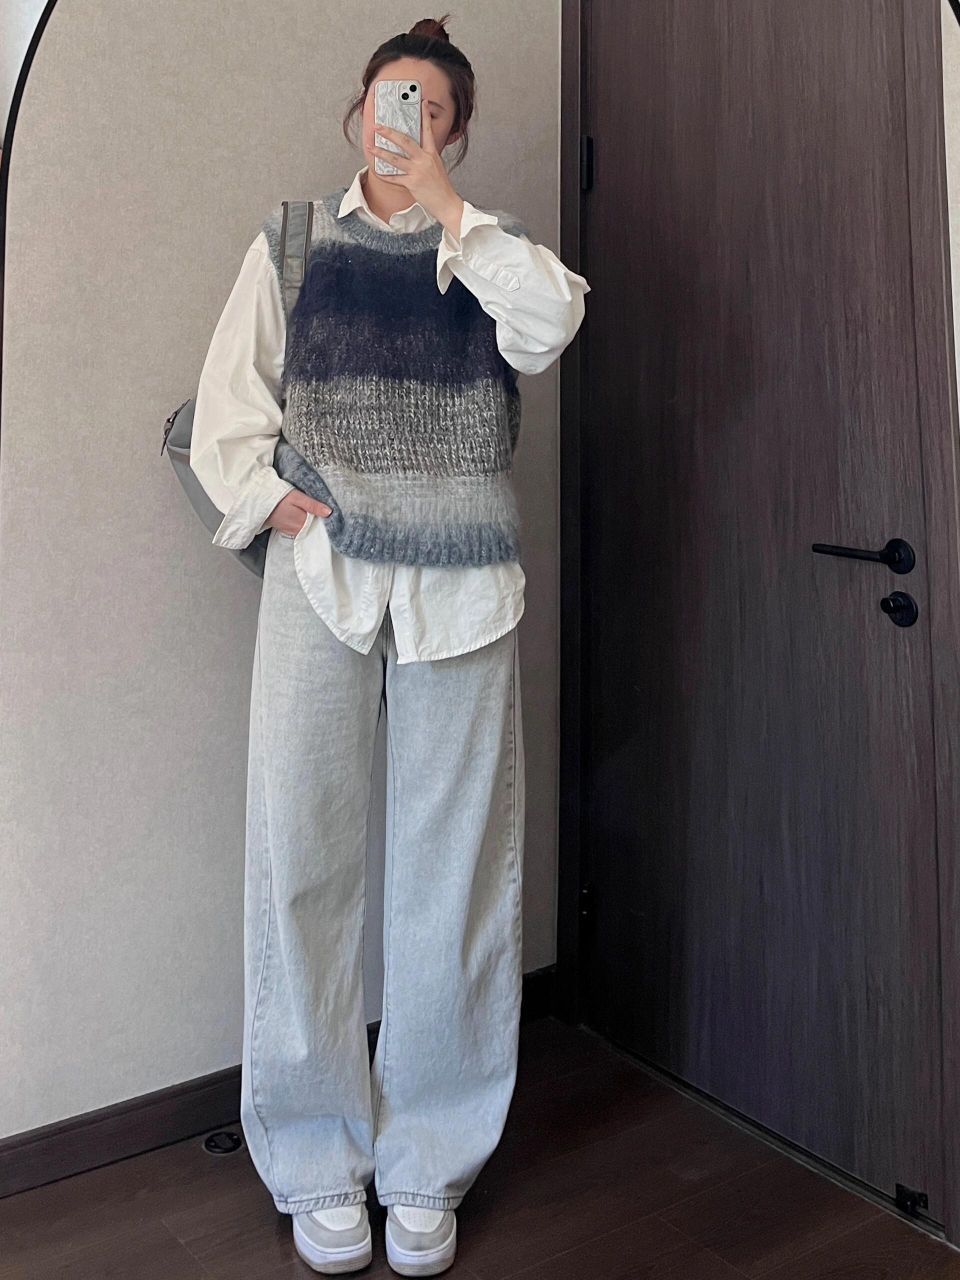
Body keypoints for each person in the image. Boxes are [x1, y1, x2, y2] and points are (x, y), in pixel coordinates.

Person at [190, 14, 589, 1276]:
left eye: (424, 105)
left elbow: (551, 324)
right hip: (324, 576)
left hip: (465, 590)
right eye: (383, 98)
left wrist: (453, 213)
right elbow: (230, 405)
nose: (396, 120)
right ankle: (318, 1157)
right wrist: (276, 503)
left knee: (454, 876)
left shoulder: (491, 249)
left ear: (453, 128)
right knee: (299, 857)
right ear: (356, 111)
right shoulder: (293, 240)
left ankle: (427, 1163)